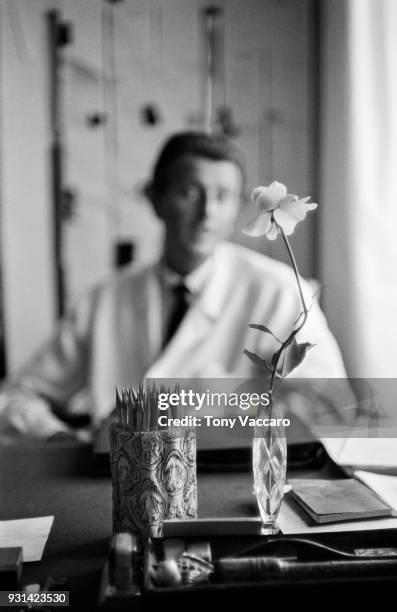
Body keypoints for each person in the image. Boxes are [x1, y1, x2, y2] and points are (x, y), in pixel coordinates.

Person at [0, 131, 350, 441]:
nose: (207, 213)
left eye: (223, 196)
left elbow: (333, 411)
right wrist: (56, 440)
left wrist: (215, 404)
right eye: (189, 192)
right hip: (114, 485)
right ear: (156, 198)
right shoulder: (103, 299)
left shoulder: (280, 290)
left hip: (231, 483)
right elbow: (18, 395)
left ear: (238, 207)